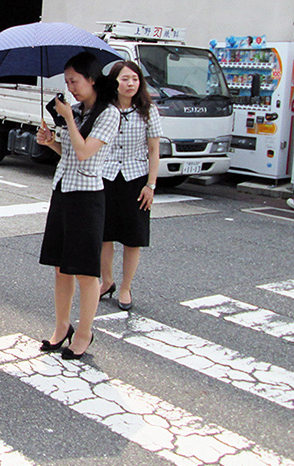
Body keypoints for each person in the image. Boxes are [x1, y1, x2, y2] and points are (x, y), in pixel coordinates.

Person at [35, 52, 118, 360]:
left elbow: (85, 153)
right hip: (63, 191)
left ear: (92, 79)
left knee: (85, 271)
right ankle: (61, 327)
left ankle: (84, 333)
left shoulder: (109, 114)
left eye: (75, 81)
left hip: (87, 198)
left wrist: (68, 119)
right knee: (60, 267)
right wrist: (50, 142)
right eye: (67, 81)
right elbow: (68, 153)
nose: (70, 87)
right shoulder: (79, 111)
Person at [99, 61, 163, 311]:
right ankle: (107, 281)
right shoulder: (105, 109)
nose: (130, 84)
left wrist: (151, 185)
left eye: (135, 79)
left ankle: (125, 288)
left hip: (136, 179)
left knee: (132, 238)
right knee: (104, 235)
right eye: (125, 79)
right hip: (105, 176)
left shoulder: (148, 110)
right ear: (114, 82)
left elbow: (154, 150)